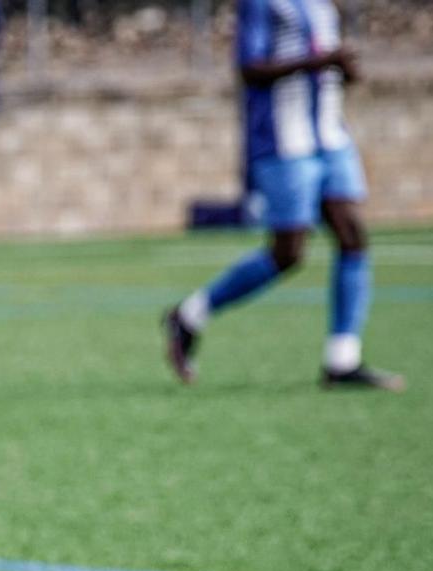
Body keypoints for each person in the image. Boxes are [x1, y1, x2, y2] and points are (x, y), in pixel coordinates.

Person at [163, 0, 403, 390]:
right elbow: (249, 68)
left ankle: (342, 360)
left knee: (352, 234)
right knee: (287, 252)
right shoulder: (263, 4)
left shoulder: (322, 5)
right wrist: (319, 62)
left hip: (330, 134)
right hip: (283, 140)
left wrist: (343, 69)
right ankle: (190, 314)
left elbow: (329, 66)